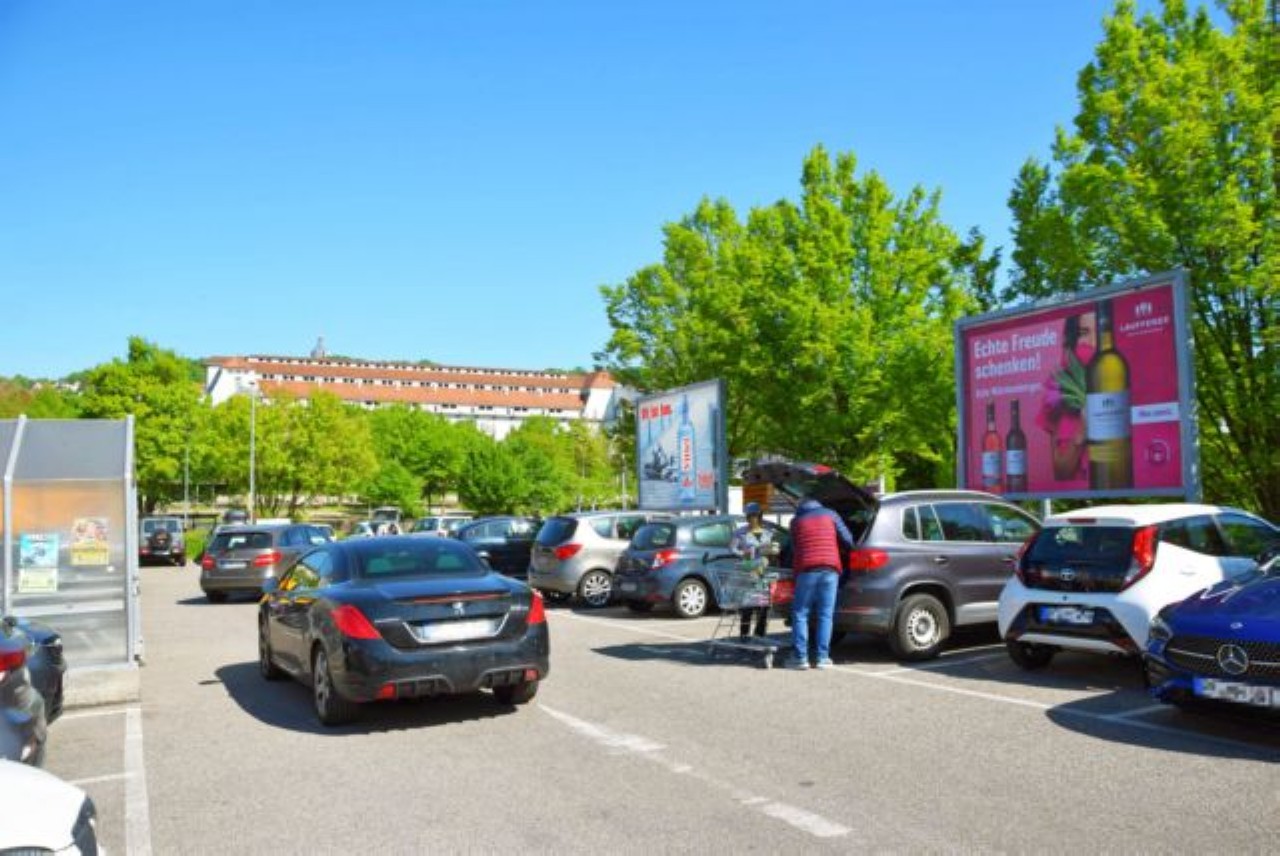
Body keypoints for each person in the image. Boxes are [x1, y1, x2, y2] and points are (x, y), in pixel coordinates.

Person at [787, 497, 853, 670]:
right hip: (830, 569)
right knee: (826, 615)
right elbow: (848, 539)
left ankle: (800, 658)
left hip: (806, 570)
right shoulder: (831, 514)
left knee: (800, 614)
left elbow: (794, 549)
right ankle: (823, 658)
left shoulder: (795, 521)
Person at [730, 502, 779, 638]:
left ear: (760, 516)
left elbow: (772, 550)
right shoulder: (740, 533)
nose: (752, 519)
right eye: (750, 516)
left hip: (763, 573)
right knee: (748, 606)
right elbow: (733, 549)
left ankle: (759, 634)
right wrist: (743, 553)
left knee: (763, 606)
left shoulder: (768, 532)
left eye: (755, 516)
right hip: (748, 573)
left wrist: (772, 552)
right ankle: (744, 635)